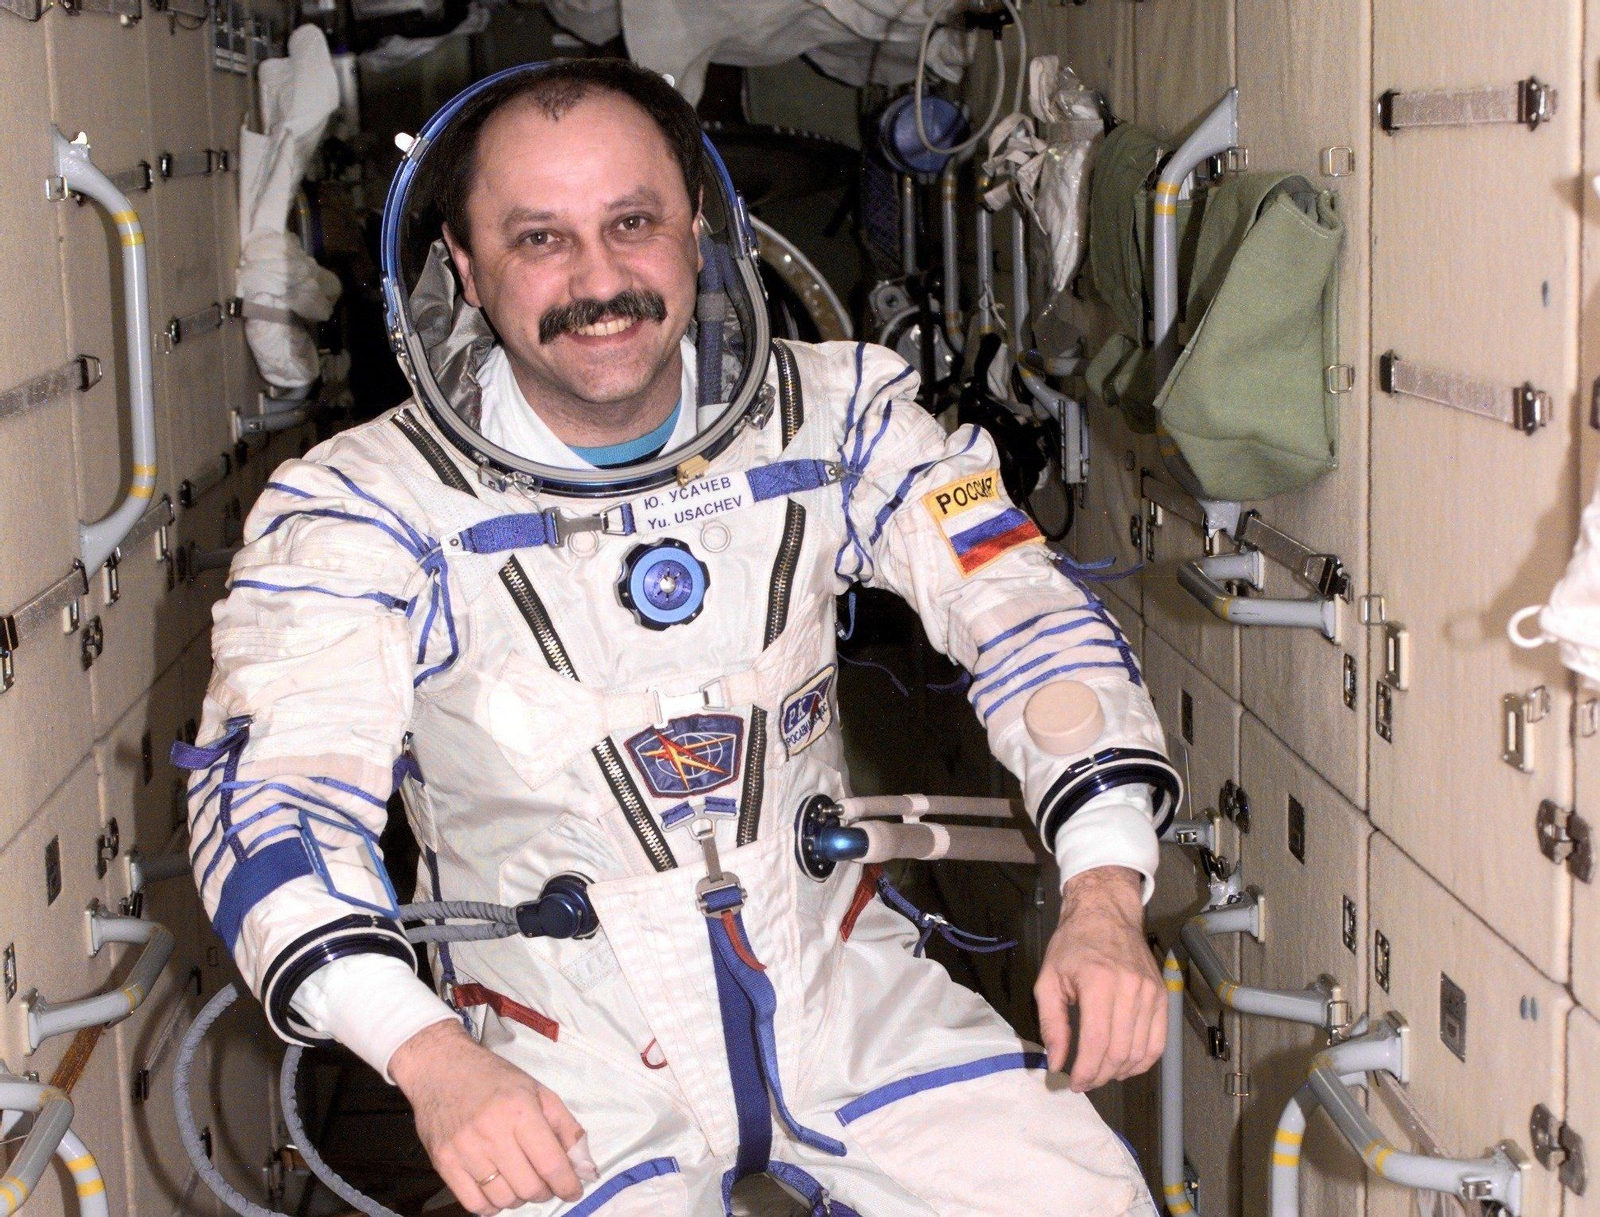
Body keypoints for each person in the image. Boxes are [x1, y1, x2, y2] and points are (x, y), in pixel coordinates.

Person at [179, 57, 1181, 1216]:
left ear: (697, 229)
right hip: (551, 1057)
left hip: (837, 995)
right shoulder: (365, 510)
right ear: (462, 266)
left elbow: (1028, 617)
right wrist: (431, 1057)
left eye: (632, 222)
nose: (598, 279)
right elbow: (280, 808)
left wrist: (1105, 895)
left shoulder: (841, 419)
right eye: (539, 238)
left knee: (1083, 1195)